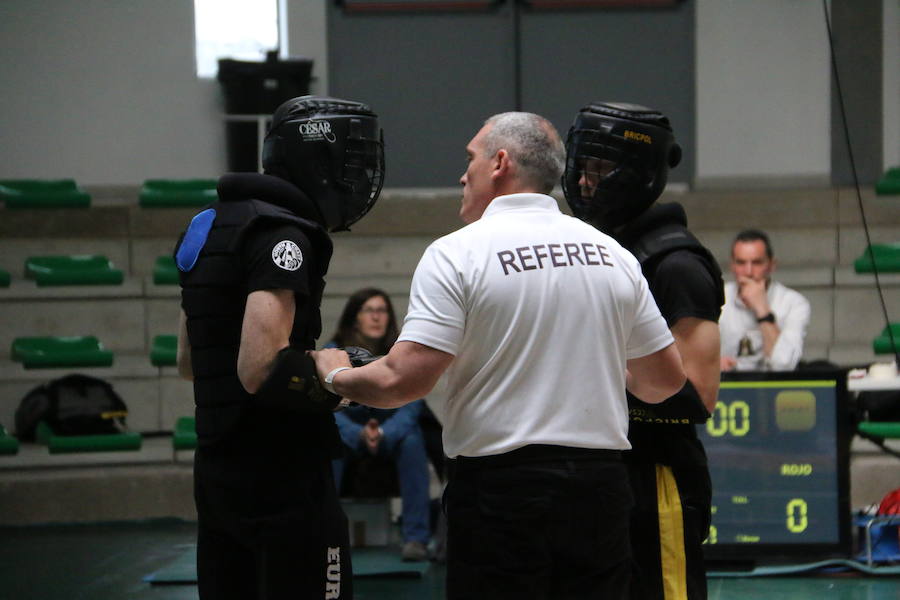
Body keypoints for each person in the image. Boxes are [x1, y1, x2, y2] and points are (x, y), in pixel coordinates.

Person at [311, 111, 687, 600]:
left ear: (500, 163)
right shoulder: (612, 253)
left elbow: (404, 382)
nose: (462, 174)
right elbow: (663, 382)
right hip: (600, 491)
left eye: (470, 158)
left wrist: (335, 376)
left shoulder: (457, 253)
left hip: (502, 494)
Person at [175, 95, 384, 600]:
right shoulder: (282, 233)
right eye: (353, 162)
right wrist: (334, 374)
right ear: (320, 161)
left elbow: (189, 361)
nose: (362, 177)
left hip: (218, 468)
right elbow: (258, 368)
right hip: (281, 469)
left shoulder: (211, 224)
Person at [563, 101, 724, 600]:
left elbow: (697, 396)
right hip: (602, 469)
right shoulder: (599, 250)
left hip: (657, 475)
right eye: (582, 167)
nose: (587, 182)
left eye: (601, 168)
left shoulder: (675, 264)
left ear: (638, 173)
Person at [327, 288, 431, 561]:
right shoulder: (332, 353)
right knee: (327, 437)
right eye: (369, 310)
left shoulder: (403, 352)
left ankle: (416, 539)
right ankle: (324, 536)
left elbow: (414, 402)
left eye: (382, 310)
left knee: (413, 439)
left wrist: (384, 433)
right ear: (354, 317)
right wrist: (358, 433)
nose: (376, 317)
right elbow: (328, 407)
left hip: (390, 434)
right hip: (348, 433)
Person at [719, 229, 811, 371]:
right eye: (741, 263)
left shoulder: (794, 303)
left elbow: (784, 365)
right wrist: (712, 364)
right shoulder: (716, 298)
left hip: (774, 389)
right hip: (725, 387)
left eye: (756, 263)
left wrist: (762, 310)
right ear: (732, 266)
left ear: (771, 265)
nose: (748, 272)